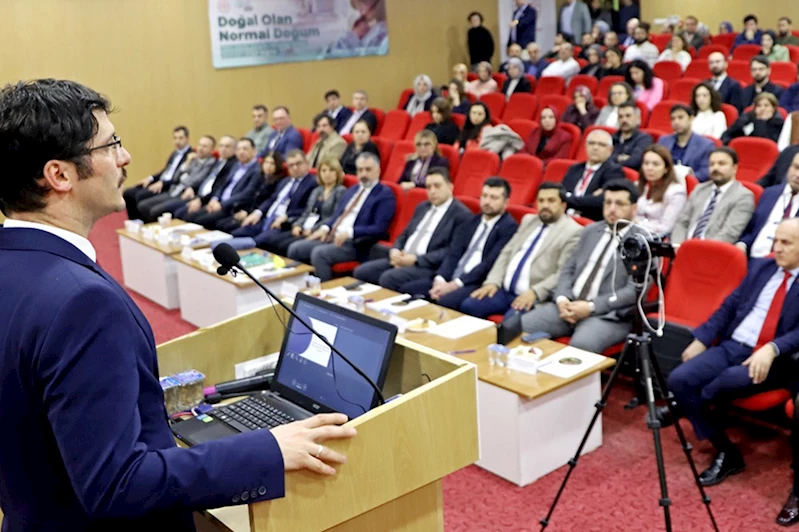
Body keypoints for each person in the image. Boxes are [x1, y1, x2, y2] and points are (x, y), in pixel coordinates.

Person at [0, 79, 356, 530]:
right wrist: (267, 449)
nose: (125, 157)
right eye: (111, 145)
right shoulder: (82, 302)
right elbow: (116, 484)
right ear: (60, 175)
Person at [661, 218, 799, 490]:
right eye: (775, 240)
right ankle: (726, 450)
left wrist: (773, 348)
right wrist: (702, 339)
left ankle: (690, 409)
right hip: (734, 345)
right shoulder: (762, 267)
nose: (777, 248)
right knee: (679, 380)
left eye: (786, 243)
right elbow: (730, 305)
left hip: (774, 358)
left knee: (714, 387)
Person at [519, 180, 642, 353]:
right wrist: (562, 298)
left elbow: (632, 291)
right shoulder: (590, 231)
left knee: (580, 347)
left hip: (606, 315)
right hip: (567, 305)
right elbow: (567, 269)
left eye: (619, 204)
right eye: (608, 203)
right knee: (519, 326)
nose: (612, 209)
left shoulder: (642, 242)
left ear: (634, 208)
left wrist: (591, 307)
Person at [462, 183, 583, 319]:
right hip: (504, 290)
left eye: (551, 201)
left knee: (511, 323)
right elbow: (506, 253)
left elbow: (562, 273)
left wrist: (535, 292)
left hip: (533, 294)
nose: (545, 205)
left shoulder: (573, 232)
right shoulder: (528, 221)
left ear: (563, 205)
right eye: (541, 200)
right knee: (469, 305)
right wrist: (493, 282)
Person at [400, 177, 519, 310]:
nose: (487, 201)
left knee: (446, 301)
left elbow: (488, 264)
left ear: (506, 202)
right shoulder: (471, 221)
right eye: (484, 196)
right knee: (408, 289)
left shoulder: (509, 228)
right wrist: (440, 280)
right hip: (452, 276)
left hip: (475, 281)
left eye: (494, 198)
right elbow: (453, 253)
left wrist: (454, 285)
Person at [354, 169, 470, 291]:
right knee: (361, 272)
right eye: (428, 187)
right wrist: (395, 251)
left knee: (388, 278)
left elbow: (450, 251)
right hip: (403, 257)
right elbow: (404, 235)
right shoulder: (422, 207)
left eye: (437, 186)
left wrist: (415, 260)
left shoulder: (461, 215)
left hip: (427, 265)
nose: (432, 191)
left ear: (450, 187)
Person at [287, 152, 396, 281]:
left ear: (378, 171)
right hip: (332, 235)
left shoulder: (384, 194)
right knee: (295, 248)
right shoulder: (353, 190)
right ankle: (297, 286)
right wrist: (325, 228)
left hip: (355, 243)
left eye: (368, 170)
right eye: (360, 170)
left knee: (319, 254)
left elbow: (379, 228)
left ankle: (323, 291)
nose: (363, 174)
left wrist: (350, 232)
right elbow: (337, 215)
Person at [250, 158, 347, 257]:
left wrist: (313, 229)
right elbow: (307, 212)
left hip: (319, 230)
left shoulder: (340, 191)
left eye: (331, 170)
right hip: (304, 227)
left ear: (337, 173)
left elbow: (334, 217)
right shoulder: (317, 190)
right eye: (324, 171)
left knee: (285, 246)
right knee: (273, 241)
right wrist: (297, 225)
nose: (327, 174)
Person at [231, 149, 317, 250]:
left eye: (298, 163)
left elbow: (307, 209)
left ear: (307, 164)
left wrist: (286, 216)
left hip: (282, 224)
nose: (295, 168)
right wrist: (258, 212)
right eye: (291, 165)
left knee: (256, 242)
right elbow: (272, 199)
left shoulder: (312, 183)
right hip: (266, 219)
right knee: (236, 233)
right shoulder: (285, 181)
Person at [671, 147, 755, 245]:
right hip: (684, 246)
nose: (715, 168)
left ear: (734, 168)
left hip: (712, 249)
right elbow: (682, 222)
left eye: (721, 164)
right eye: (712, 164)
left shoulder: (743, 196)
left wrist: (698, 249)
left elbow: (730, 233)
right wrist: (678, 245)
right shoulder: (700, 189)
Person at [182, 138, 263, 229]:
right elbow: (223, 184)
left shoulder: (257, 170)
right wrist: (215, 198)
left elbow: (247, 193)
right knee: (188, 215)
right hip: (219, 202)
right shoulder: (236, 165)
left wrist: (222, 204)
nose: (241, 152)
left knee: (200, 221)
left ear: (254, 151)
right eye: (239, 149)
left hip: (231, 207)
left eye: (245, 149)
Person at [135, 135, 218, 223]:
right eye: (199, 145)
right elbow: (176, 177)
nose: (200, 148)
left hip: (185, 194)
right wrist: (187, 162)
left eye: (204, 146)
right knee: (143, 205)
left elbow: (198, 179)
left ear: (212, 150)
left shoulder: (211, 163)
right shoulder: (193, 159)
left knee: (155, 211)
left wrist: (185, 182)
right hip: (174, 190)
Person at [123, 125, 193, 221]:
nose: (177, 141)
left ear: (187, 139)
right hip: (161, 181)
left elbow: (180, 177)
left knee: (140, 196)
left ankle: (144, 224)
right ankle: (134, 222)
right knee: (128, 193)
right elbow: (165, 171)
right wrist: (150, 178)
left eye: (181, 138)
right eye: (175, 138)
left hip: (168, 185)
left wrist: (162, 183)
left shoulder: (190, 156)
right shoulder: (175, 153)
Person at [738, 151, 799, 258]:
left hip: (784, 263)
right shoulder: (770, 193)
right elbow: (752, 229)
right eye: (796, 167)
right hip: (751, 257)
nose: (797, 175)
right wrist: (742, 244)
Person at [215, 151, 287, 234]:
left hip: (260, 215)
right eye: (266, 162)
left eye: (272, 164)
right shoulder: (259, 177)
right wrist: (245, 210)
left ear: (277, 165)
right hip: (247, 210)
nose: (268, 166)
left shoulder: (279, 182)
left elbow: (268, 201)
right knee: (220, 224)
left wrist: (249, 212)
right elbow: (250, 195)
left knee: (231, 229)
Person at [170, 135, 239, 220]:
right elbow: (203, 179)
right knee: (179, 212)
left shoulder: (233, 166)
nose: (223, 149)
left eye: (227, 146)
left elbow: (219, 187)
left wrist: (201, 200)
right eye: (221, 146)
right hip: (198, 195)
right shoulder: (219, 162)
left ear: (235, 149)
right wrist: (192, 188)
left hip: (210, 200)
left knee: (185, 215)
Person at [562, 129, 625, 220]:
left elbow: (599, 202)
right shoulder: (575, 169)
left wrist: (568, 198)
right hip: (564, 217)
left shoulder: (614, 172)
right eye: (591, 143)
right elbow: (559, 194)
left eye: (601, 145)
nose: (595, 148)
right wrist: (588, 198)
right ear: (586, 146)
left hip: (588, 220)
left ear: (610, 150)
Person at [634, 145, 687, 236]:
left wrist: (637, 224)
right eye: (646, 163)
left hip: (656, 239)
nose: (649, 168)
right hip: (633, 234)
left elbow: (665, 228)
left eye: (655, 164)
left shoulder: (676, 192)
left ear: (666, 168)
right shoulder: (637, 185)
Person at [658, 104, 716, 182]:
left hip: (692, 185)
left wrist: (685, 179)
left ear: (691, 118)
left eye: (680, 117)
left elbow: (705, 172)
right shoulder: (663, 141)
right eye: (673, 119)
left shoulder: (706, 145)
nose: (676, 122)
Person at [612, 101, 653, 170]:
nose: (624, 120)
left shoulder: (644, 139)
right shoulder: (613, 137)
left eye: (628, 116)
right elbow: (603, 158)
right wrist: (622, 158)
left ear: (637, 118)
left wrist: (614, 159)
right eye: (620, 117)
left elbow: (635, 162)